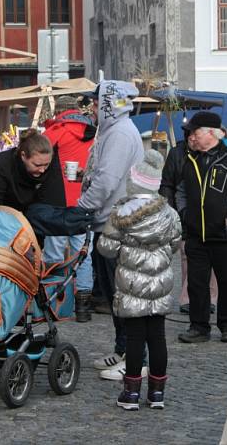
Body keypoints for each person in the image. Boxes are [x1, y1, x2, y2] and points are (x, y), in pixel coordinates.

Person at [97, 149, 181, 411]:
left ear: (133, 183)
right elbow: (176, 242)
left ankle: (131, 394)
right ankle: (157, 394)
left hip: (132, 283)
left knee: (135, 338)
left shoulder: (121, 213)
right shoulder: (169, 213)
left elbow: (106, 248)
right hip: (160, 283)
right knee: (157, 337)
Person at [78, 80, 144, 380]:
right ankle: (122, 350)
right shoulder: (112, 131)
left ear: (108, 103)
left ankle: (135, 359)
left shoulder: (119, 133)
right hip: (109, 222)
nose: (92, 107)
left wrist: (82, 207)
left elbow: (106, 181)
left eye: (95, 102)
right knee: (115, 295)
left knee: (123, 295)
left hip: (117, 223)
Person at [176, 111, 227, 343]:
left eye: (195, 132)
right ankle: (199, 326)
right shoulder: (190, 159)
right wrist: (185, 214)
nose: (192, 137)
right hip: (197, 234)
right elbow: (180, 191)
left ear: (210, 133)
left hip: (225, 234)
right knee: (197, 283)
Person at [41, 95, 97, 322]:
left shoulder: (57, 131)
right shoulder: (94, 133)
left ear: (58, 112)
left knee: (54, 253)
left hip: (57, 202)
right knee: (83, 254)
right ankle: (83, 307)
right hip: (85, 201)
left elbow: (35, 153)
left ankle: (55, 302)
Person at [159, 127, 218, 315]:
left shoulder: (212, 153)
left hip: (209, 212)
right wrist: (170, 208)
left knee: (211, 256)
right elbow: (167, 183)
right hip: (182, 211)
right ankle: (187, 297)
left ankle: (211, 298)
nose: (194, 139)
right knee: (186, 255)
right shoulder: (177, 153)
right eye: (191, 136)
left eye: (197, 135)